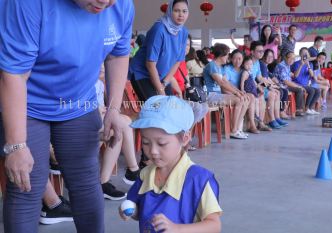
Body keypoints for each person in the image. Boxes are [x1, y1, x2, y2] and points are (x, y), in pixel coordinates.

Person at [0, 0, 134, 232]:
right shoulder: (27, 4)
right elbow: (14, 74)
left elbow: (118, 54)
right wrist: (16, 145)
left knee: (86, 180)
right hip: (27, 102)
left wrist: (113, 108)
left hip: (79, 101)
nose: (105, 2)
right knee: (25, 184)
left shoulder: (121, 5)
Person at [121, 95, 222, 233]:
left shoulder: (199, 180)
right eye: (146, 142)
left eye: (161, 143)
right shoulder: (145, 175)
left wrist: (177, 229)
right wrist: (131, 211)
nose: (153, 151)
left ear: (185, 138)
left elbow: (214, 225)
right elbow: (141, 213)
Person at [129, 0, 189, 101]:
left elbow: (178, 61)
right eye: (176, 11)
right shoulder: (159, 29)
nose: (181, 15)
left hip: (162, 76)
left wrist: (165, 82)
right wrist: (161, 90)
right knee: (158, 108)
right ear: (170, 11)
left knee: (170, 108)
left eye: (184, 11)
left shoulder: (183, 31)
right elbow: (150, 64)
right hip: (142, 73)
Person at [203, 43, 249, 139]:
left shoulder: (220, 67)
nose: (228, 57)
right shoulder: (212, 65)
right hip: (210, 96)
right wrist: (236, 93)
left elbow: (226, 82)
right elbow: (221, 83)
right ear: (221, 55)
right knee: (239, 100)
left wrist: (238, 91)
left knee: (244, 99)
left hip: (217, 95)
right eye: (227, 54)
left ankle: (237, 129)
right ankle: (234, 130)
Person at [225, 50, 259, 134]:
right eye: (235, 58)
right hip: (230, 92)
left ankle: (251, 124)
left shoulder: (244, 70)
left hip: (240, 91)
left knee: (251, 96)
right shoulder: (227, 69)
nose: (237, 61)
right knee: (246, 98)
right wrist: (238, 93)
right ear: (231, 59)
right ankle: (238, 127)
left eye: (240, 59)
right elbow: (225, 85)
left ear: (243, 59)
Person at [260, 49, 289, 127]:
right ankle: (272, 119)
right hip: (260, 86)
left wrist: (273, 85)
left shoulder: (265, 66)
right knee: (275, 93)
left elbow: (267, 78)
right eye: (268, 56)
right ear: (264, 56)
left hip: (263, 85)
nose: (270, 58)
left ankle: (277, 118)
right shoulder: (262, 64)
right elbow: (262, 80)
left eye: (272, 57)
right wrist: (271, 86)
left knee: (278, 92)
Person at [274, 52, 305, 117]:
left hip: (286, 85)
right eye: (289, 58)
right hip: (282, 86)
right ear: (285, 57)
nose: (291, 60)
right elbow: (285, 82)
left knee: (304, 88)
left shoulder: (287, 65)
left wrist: (301, 65)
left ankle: (302, 109)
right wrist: (298, 86)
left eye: (293, 58)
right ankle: (298, 110)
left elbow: (294, 75)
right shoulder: (282, 66)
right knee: (300, 90)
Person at [291, 47, 320, 115]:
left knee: (318, 90)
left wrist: (308, 65)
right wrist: (301, 65)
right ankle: (306, 108)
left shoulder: (310, 64)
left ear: (308, 55)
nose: (305, 55)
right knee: (312, 90)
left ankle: (309, 108)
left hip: (305, 84)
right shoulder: (296, 63)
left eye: (306, 53)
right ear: (300, 54)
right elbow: (296, 75)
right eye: (303, 53)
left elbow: (312, 75)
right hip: (297, 84)